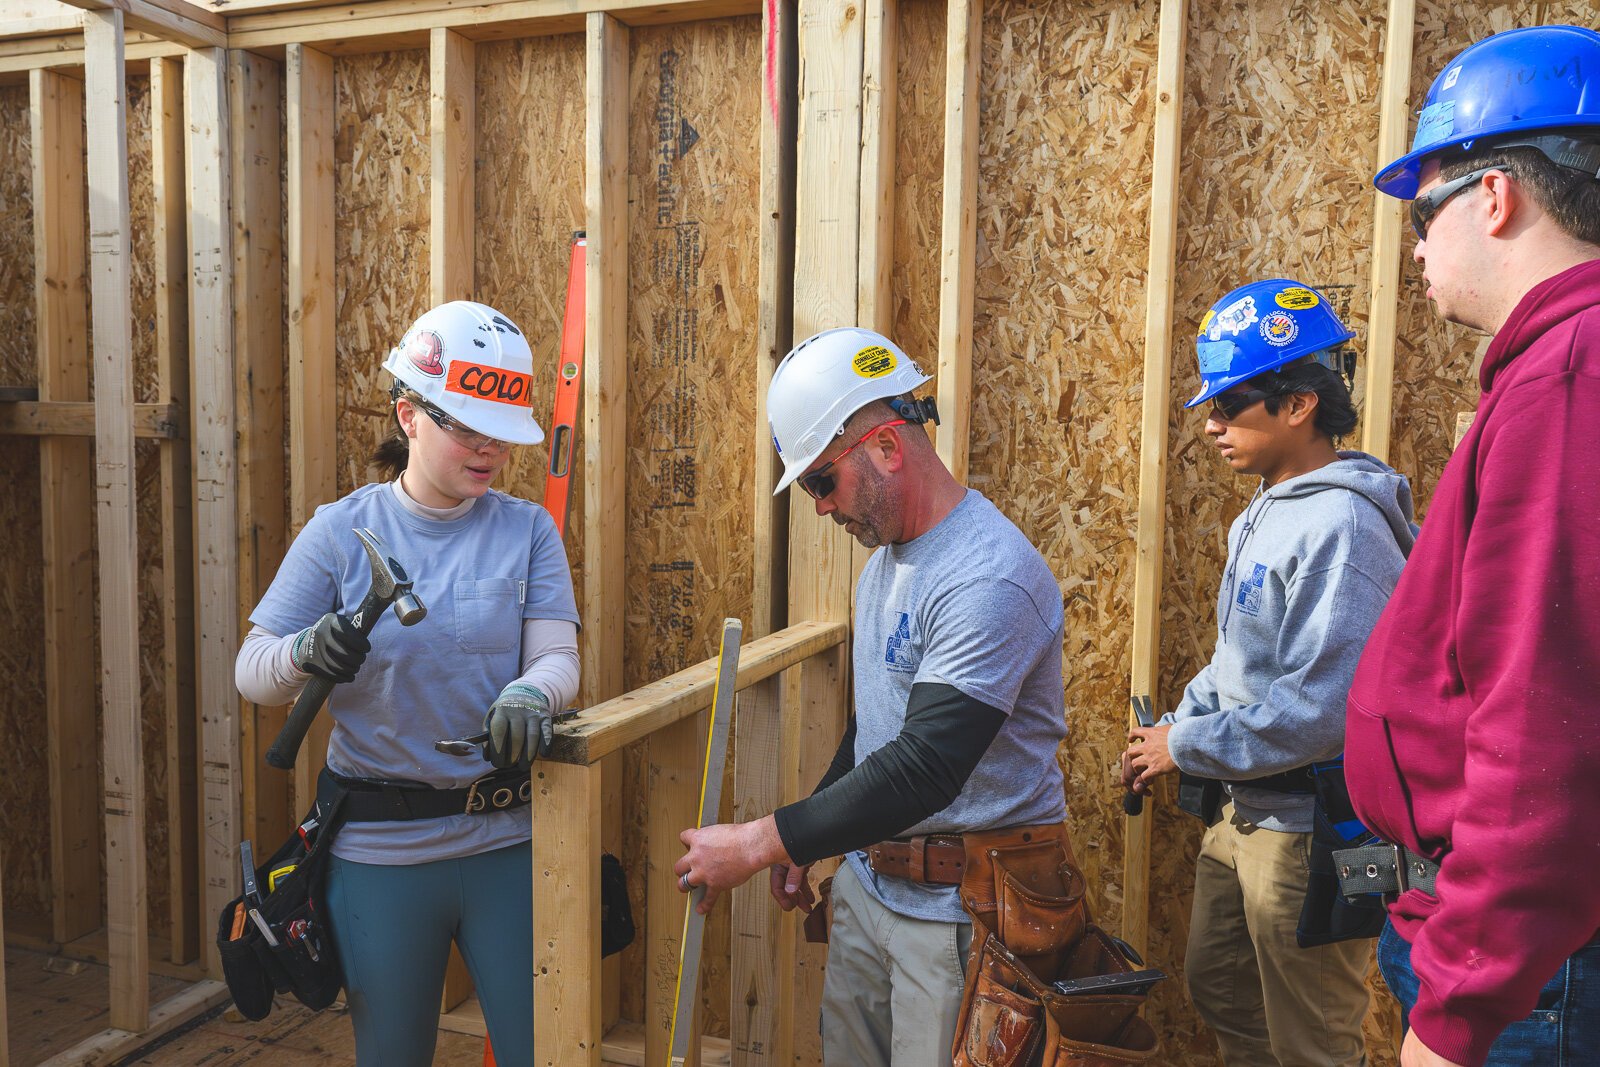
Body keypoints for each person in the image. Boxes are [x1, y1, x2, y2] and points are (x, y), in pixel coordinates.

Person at [672, 327, 1072, 1065]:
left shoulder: (986, 577)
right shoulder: (888, 560)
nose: (821, 508)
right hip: (873, 888)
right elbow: (877, 728)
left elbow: (926, 764)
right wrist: (813, 840)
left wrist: (763, 842)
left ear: (887, 447)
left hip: (962, 917)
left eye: (822, 481)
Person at [234, 301, 580, 1066]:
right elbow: (253, 673)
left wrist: (532, 694)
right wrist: (305, 650)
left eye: (502, 433)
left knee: (543, 1051)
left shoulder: (528, 531)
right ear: (409, 415)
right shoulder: (338, 531)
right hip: (379, 852)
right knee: (391, 1053)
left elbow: (557, 658)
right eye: (467, 427)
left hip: (507, 839)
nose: (489, 449)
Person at [1346, 24, 1600, 1067]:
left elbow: (1542, 734)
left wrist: (1453, 1017)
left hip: (1526, 978)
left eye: (1424, 210)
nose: (1414, 246)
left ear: (1495, 196)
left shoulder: (1565, 379)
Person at [1120, 279, 1415, 1067]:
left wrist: (1188, 747)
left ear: (1298, 405)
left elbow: (1322, 709)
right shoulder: (1265, 507)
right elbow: (1238, 656)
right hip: (1241, 813)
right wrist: (1176, 726)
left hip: (1306, 834)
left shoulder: (1344, 526)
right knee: (1220, 987)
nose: (1212, 424)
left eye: (1233, 404)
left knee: (1312, 1038)